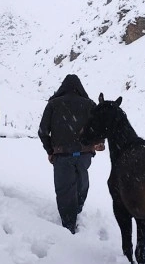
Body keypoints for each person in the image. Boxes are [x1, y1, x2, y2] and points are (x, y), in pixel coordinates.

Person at [38, 74, 102, 234]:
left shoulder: (53, 104)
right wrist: (98, 142)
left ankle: (68, 226)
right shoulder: (90, 104)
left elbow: (42, 131)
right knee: (81, 183)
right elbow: (100, 126)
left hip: (62, 155)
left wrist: (50, 150)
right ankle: (77, 210)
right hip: (84, 155)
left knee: (64, 189)